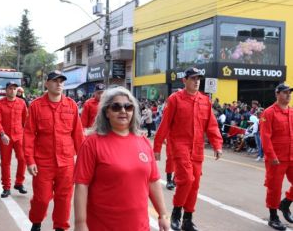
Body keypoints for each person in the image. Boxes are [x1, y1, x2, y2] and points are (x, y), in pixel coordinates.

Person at [74, 86, 170, 231]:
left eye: (128, 107)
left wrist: (163, 214)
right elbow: (82, 185)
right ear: (106, 111)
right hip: (103, 226)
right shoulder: (92, 143)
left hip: (139, 226)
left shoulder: (143, 142)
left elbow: (153, 181)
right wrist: (80, 224)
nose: (123, 111)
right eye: (116, 107)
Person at [153, 67, 223, 231]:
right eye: (193, 78)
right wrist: (157, 147)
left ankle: (188, 219)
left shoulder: (205, 101)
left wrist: (217, 144)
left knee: (195, 184)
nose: (196, 81)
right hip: (180, 146)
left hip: (197, 148)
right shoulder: (175, 99)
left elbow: (211, 126)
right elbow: (165, 123)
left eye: (198, 78)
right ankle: (176, 213)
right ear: (184, 81)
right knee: (187, 179)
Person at [24, 71, 85, 231]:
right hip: (43, 162)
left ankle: (60, 227)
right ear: (47, 84)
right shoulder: (37, 106)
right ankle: (36, 222)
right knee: (42, 199)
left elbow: (78, 135)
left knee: (64, 199)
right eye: (55, 81)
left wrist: (84, 160)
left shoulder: (71, 105)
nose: (59, 84)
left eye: (61, 81)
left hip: (66, 163)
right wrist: (30, 161)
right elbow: (29, 134)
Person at [260, 83, 293, 231]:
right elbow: (265, 137)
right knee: (274, 188)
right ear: (277, 94)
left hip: (291, 155)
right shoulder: (269, 113)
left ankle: (286, 202)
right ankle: (273, 217)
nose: (288, 95)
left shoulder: (292, 112)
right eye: (285, 92)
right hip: (276, 158)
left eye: (289, 93)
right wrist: (271, 155)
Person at [0, 81, 28, 198]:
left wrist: (28, 135)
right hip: (5, 138)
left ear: (17, 90)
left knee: (23, 159)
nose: (12, 90)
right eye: (10, 88)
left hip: (19, 136)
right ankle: (6, 187)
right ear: (6, 90)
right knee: (5, 163)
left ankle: (19, 183)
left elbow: (25, 121)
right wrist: (2, 134)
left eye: (14, 88)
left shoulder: (22, 103)